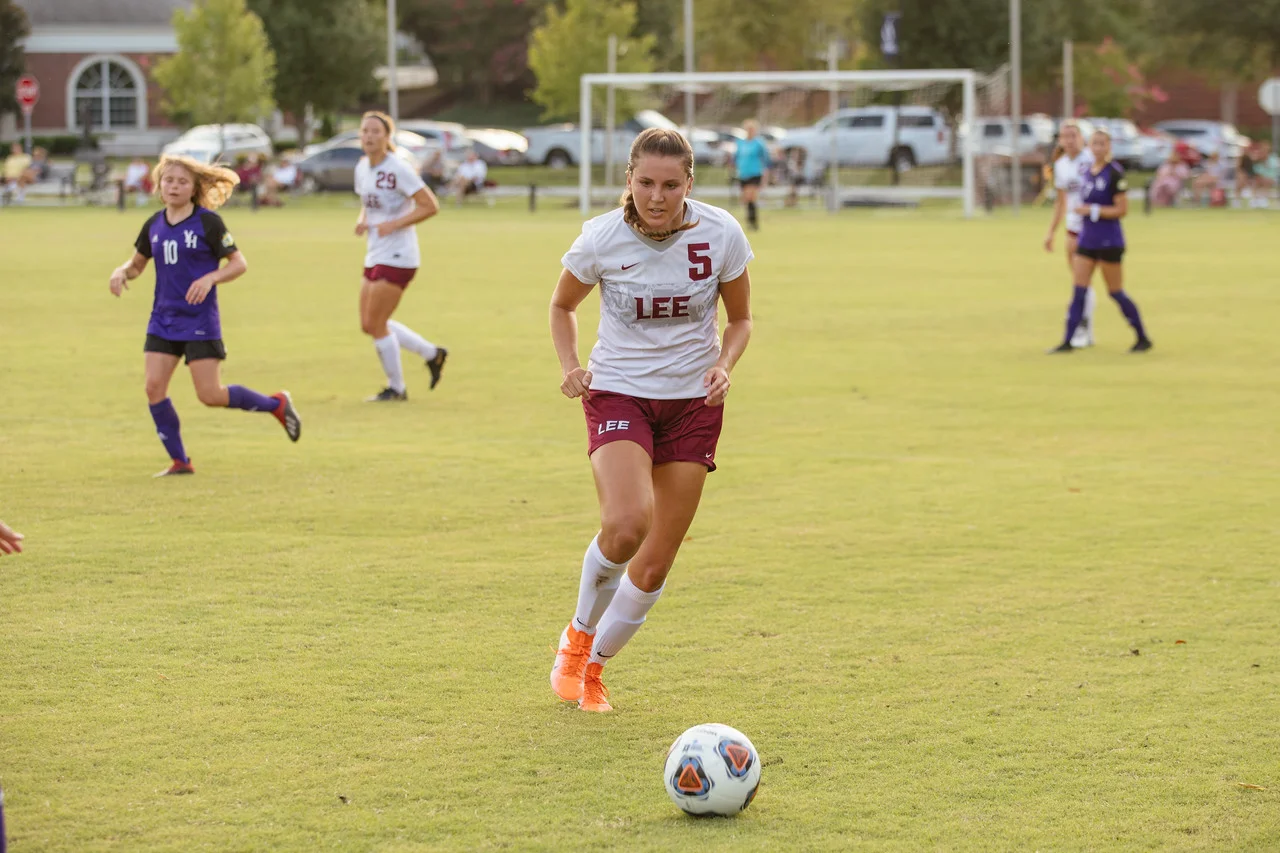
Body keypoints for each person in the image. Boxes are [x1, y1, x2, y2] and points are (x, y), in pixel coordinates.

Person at [547, 128, 754, 713]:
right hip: (619, 393)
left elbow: (740, 320)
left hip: (694, 403)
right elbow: (562, 305)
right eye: (645, 183)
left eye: (670, 184)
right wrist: (570, 364)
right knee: (626, 524)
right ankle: (578, 636)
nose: (656, 197)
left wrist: (724, 363)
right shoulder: (601, 238)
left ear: (690, 183)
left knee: (658, 554)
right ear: (629, 181)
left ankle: (595, 669)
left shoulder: (722, 235)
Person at [108, 154, 302, 476]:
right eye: (168, 180)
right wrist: (121, 271)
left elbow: (239, 263)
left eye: (182, 181)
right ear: (159, 184)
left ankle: (276, 404)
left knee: (210, 395)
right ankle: (180, 461)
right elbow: (137, 265)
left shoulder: (207, 222)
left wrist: (211, 277)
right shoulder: (154, 224)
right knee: (154, 388)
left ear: (194, 188)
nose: (174, 186)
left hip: (199, 321)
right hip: (163, 319)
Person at [353, 111, 448, 401]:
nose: (369, 136)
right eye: (365, 131)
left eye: (375, 131)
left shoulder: (398, 168)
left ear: (386, 137)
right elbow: (369, 203)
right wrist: (362, 218)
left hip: (399, 255)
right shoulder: (362, 167)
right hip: (375, 252)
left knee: (377, 323)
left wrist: (393, 224)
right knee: (370, 324)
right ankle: (432, 353)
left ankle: (396, 388)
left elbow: (429, 205)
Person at [1051, 129, 1151, 354]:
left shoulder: (1114, 173)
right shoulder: (1086, 172)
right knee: (1079, 290)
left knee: (1115, 291)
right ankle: (1067, 341)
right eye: (1094, 144)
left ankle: (1142, 336)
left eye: (1102, 144)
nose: (1097, 148)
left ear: (1108, 147)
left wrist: (1093, 210)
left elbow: (1121, 209)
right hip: (1087, 238)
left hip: (1109, 239)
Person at [1044, 121, 1097, 348]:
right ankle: (1085, 328)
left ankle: (1082, 327)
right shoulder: (1061, 165)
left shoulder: (1092, 160)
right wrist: (1051, 231)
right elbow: (1061, 201)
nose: (1069, 140)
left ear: (1082, 138)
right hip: (1073, 227)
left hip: (1094, 226)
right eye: (1065, 136)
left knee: (1084, 280)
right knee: (1078, 279)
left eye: (1073, 135)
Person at [733, 119, 771, 231]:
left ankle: (753, 222)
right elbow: (736, 158)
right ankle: (750, 220)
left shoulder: (758, 143)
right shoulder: (741, 143)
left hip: (754, 173)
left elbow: (766, 159)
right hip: (743, 173)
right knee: (746, 199)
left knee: (751, 196)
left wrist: (766, 174)